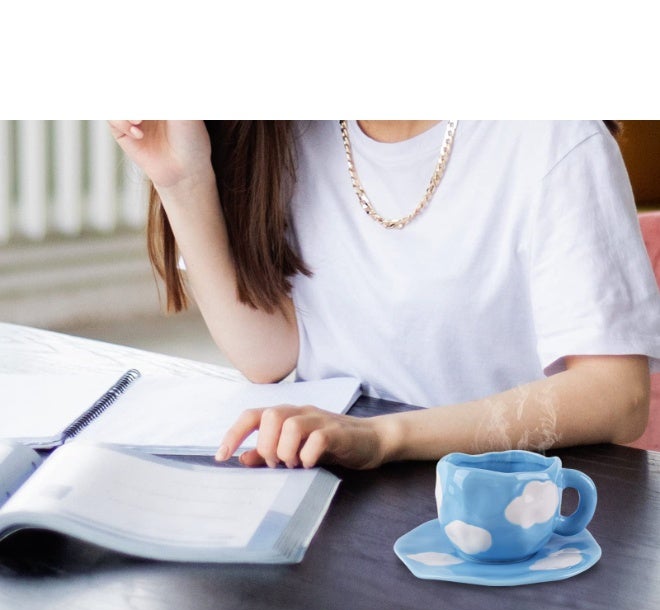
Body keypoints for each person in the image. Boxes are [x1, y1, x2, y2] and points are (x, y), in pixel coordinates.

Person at [109, 120, 660, 470]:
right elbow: (271, 356)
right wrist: (181, 180)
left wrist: (384, 437)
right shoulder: (283, 133)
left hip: (503, 514)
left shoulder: (552, 138)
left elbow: (617, 397)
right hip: (325, 495)